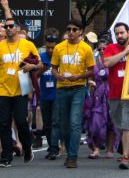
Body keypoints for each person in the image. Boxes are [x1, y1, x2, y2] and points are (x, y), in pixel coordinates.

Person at [51, 19, 94, 168]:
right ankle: (69, 150)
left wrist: (79, 76)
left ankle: (72, 156)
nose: (71, 32)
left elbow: (91, 70)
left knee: (75, 123)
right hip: (62, 88)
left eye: (74, 30)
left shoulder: (86, 49)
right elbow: (54, 68)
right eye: (69, 29)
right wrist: (57, 76)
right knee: (64, 124)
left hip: (78, 88)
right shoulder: (59, 47)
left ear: (80, 31)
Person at [0, 18, 41, 167]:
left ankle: (27, 145)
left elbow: (40, 63)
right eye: (6, 26)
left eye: (11, 26)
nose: (8, 28)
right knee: (3, 124)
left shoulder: (27, 44)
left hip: (21, 91)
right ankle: (6, 157)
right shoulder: (1, 46)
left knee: (21, 121)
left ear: (17, 28)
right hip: (3, 90)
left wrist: (31, 66)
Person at [103, 23, 129, 169]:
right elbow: (107, 62)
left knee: (128, 125)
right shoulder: (110, 48)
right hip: (114, 94)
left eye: (122, 33)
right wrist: (125, 52)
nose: (119, 36)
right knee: (120, 125)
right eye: (117, 33)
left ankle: (126, 157)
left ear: (128, 32)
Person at [84, 38, 117, 160]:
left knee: (110, 122)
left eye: (105, 48)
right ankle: (96, 149)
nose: (102, 51)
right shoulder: (94, 61)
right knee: (96, 121)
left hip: (111, 93)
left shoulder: (113, 60)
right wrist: (91, 82)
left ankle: (109, 149)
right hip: (97, 94)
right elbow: (89, 76)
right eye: (100, 48)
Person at [39, 30, 60, 160]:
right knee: (46, 123)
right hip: (44, 95)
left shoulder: (60, 56)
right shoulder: (41, 56)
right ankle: (51, 146)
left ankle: (53, 148)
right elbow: (34, 75)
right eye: (48, 47)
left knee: (55, 122)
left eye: (53, 47)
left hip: (57, 94)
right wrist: (42, 70)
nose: (51, 50)